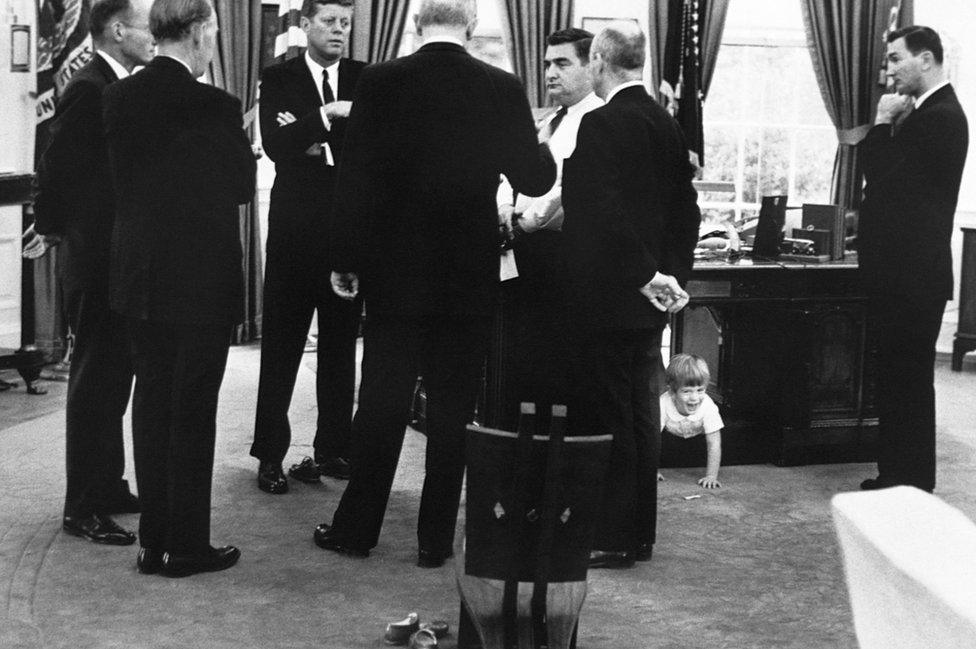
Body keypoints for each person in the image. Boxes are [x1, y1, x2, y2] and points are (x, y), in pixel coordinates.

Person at [314, 0, 555, 568]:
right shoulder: (502, 86)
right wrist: (538, 138)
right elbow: (535, 177)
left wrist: (345, 258)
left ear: (417, 26)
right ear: (470, 28)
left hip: (395, 271)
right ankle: (435, 541)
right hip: (467, 274)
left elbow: (355, 178)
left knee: (380, 400)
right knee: (453, 410)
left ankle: (356, 531)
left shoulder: (379, 81)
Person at [102, 0, 256, 576]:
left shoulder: (117, 96)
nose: (215, 41)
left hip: (138, 274)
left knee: (150, 402)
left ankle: (152, 542)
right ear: (198, 32)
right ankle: (185, 547)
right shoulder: (214, 104)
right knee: (192, 412)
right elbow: (243, 185)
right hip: (199, 279)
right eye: (213, 31)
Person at [561, 22, 700, 569]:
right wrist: (671, 277)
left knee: (609, 416)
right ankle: (639, 534)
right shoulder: (667, 124)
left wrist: (646, 276)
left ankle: (613, 537)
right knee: (641, 415)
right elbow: (685, 211)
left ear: (598, 60)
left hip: (608, 296)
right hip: (651, 301)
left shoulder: (600, 123)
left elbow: (598, 215)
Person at [25, 0, 155, 547]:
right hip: (95, 259)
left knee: (114, 378)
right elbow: (59, 166)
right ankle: (82, 506)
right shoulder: (90, 85)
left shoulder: (116, 83)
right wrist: (51, 226)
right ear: (118, 28)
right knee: (95, 384)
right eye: (148, 28)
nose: (154, 38)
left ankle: (109, 486)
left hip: (115, 259)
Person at [250, 0, 367, 495]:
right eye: (329, 22)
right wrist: (327, 115)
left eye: (346, 23)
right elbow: (278, 147)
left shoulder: (367, 77)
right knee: (281, 345)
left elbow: (371, 150)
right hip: (295, 234)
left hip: (347, 233)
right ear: (305, 25)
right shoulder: (279, 77)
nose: (339, 30)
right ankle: (270, 455)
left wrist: (311, 139)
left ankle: (333, 449)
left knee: (341, 348)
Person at [858, 25, 968, 493]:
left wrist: (882, 121)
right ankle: (903, 477)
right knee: (904, 381)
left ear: (926, 59)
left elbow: (881, 177)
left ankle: (907, 480)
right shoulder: (930, 113)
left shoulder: (938, 116)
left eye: (897, 58)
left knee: (906, 382)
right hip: (909, 276)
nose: (890, 70)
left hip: (910, 278)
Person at [489, 28, 601, 426]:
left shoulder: (597, 122)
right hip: (520, 250)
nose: (551, 72)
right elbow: (510, 169)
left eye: (563, 63)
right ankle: (518, 454)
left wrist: (525, 222)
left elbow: (567, 189)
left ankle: (547, 463)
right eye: (548, 64)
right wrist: (503, 205)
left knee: (552, 367)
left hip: (560, 258)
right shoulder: (546, 118)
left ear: (592, 64)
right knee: (519, 361)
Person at [659, 354, 723, 489]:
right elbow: (651, 439)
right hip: (670, 441)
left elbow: (714, 444)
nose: (694, 398)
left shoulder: (708, 406)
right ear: (672, 392)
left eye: (700, 390)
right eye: (687, 391)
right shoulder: (663, 403)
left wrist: (711, 476)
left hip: (698, 441)